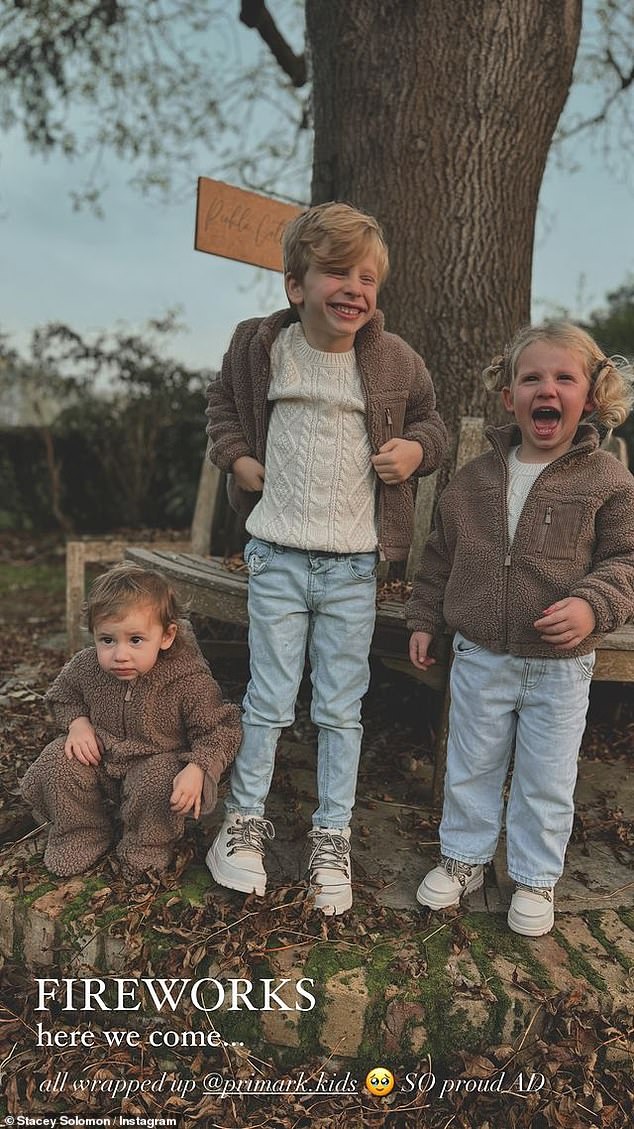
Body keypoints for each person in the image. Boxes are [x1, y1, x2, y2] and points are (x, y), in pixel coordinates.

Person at [205, 201, 447, 914]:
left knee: (341, 707)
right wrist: (238, 456)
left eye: (367, 276)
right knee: (270, 699)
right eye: (337, 271)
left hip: (351, 567)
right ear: (296, 285)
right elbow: (221, 401)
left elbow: (431, 422)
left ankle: (330, 836)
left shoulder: (395, 359)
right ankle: (242, 827)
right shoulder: (261, 348)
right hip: (276, 553)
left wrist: (414, 450)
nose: (354, 287)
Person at [407, 322, 634, 936]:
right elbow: (439, 555)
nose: (547, 389)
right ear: (508, 396)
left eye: (565, 378)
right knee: (472, 763)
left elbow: (626, 560)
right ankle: (465, 859)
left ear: (589, 397)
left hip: (561, 665)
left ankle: (535, 877)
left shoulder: (606, 480)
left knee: (546, 776)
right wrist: (426, 618)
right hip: (480, 653)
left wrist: (592, 605)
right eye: (531, 377)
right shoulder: (475, 479)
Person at [21, 563, 241, 880]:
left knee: (157, 779)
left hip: (156, 767)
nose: (120, 654)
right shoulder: (87, 667)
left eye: (136, 640)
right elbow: (63, 695)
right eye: (107, 640)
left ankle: (146, 846)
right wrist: (78, 723)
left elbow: (220, 729)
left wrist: (198, 767)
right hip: (104, 758)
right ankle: (82, 831)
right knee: (59, 759)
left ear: (166, 636)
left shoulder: (188, 680)